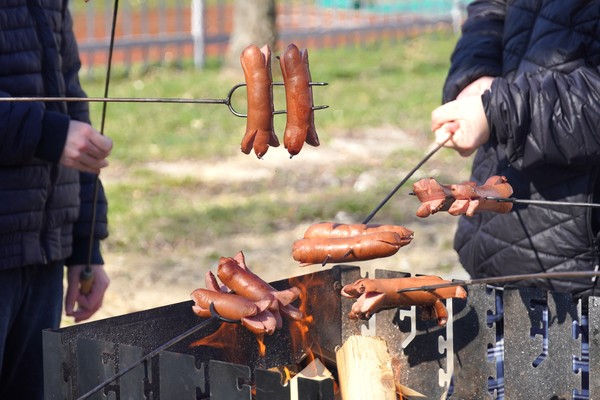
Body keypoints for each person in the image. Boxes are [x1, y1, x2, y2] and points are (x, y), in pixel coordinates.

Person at [431, 0, 600, 298]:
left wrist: (500, 110)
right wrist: (475, 75)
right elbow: (492, 9)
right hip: (497, 259)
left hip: (583, 278)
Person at [0, 1, 113, 398]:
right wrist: (46, 134)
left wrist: (86, 245)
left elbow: (73, 107)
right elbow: (59, 131)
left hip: (43, 254)